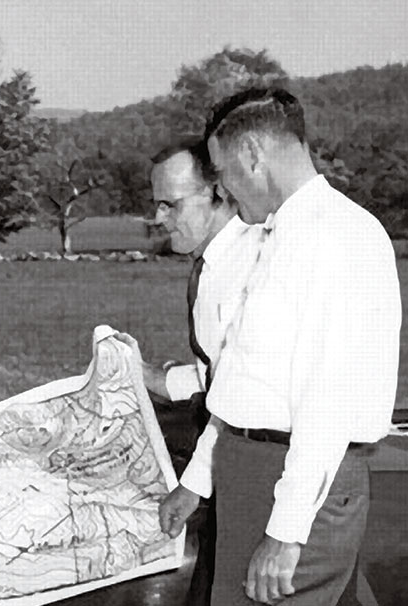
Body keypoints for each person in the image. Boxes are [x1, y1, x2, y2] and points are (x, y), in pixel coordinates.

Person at [164, 87, 401, 605]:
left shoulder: (338, 237)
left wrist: (286, 532)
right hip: (254, 471)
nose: (225, 191)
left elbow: (329, 401)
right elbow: (242, 380)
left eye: (223, 175)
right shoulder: (280, 235)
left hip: (296, 484)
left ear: (253, 156)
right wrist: (200, 477)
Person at [140, 138, 263, 606]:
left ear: (218, 192)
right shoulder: (213, 265)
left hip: (250, 472)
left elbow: (242, 389)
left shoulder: (245, 267)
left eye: (171, 204)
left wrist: (192, 486)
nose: (159, 218)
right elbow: (219, 369)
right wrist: (155, 378)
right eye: (156, 206)